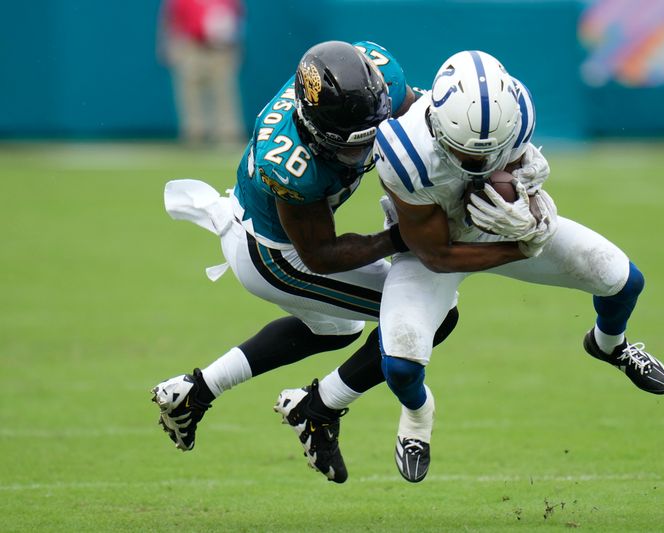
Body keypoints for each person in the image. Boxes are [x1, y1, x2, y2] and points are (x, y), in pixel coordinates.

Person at [150, 41, 459, 484]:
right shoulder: (292, 165)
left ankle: (195, 394)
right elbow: (320, 254)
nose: (369, 150)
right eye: (353, 146)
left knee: (336, 329)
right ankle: (317, 407)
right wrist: (400, 236)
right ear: (314, 128)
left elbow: (419, 122)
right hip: (276, 254)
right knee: (435, 314)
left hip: (264, 226)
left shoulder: (379, 78)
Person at [368, 50, 664, 482]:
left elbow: (514, 174)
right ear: (437, 125)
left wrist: (528, 205)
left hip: (502, 231)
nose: (480, 165)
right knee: (400, 363)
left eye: (490, 154)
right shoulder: (404, 152)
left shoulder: (516, 111)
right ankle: (418, 417)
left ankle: (610, 344)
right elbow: (436, 255)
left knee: (623, 281)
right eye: (468, 155)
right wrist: (524, 244)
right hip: (436, 247)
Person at [157, 0, 245, 145]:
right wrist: (168, 44)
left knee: (224, 92)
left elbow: (237, 18)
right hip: (193, 46)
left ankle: (228, 134)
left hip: (220, 49)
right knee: (190, 93)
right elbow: (170, 19)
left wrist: (237, 46)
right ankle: (195, 133)